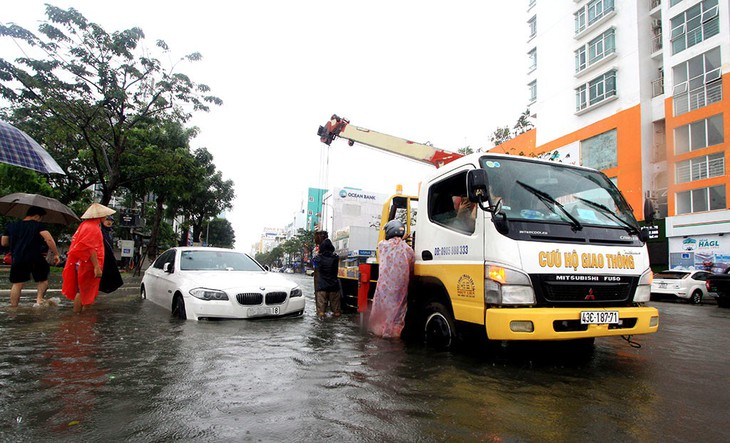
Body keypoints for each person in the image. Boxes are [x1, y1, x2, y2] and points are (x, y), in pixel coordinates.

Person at [1, 206, 61, 307]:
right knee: (43, 279)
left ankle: (14, 307)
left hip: (17, 257)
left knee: (17, 283)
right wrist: (56, 254)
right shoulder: (39, 226)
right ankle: (39, 300)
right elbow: (49, 239)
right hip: (35, 256)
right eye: (41, 218)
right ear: (37, 216)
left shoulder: (11, 226)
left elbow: (4, 242)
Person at [62, 203, 115, 313]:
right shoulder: (93, 228)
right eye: (104, 215)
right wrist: (96, 266)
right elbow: (90, 248)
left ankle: (78, 318)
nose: (106, 217)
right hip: (87, 264)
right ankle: (82, 318)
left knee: (81, 291)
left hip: (80, 263)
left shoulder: (84, 225)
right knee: (85, 292)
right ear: (99, 216)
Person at [368, 219, 415, 338]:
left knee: (382, 309)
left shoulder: (383, 246)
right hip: (400, 289)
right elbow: (412, 266)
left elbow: (390, 245)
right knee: (398, 311)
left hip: (385, 289)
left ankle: (381, 332)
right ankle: (393, 334)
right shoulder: (409, 250)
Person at [312, 238, 341, 319]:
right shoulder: (336, 258)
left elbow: (314, 262)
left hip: (322, 287)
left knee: (321, 312)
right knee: (336, 312)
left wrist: (318, 253)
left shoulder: (318, 258)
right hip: (334, 286)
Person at [99, 215, 123, 293]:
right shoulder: (100, 230)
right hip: (101, 257)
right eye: (107, 220)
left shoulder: (110, 232)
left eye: (111, 221)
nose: (109, 222)